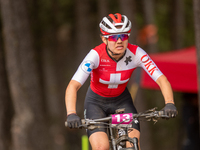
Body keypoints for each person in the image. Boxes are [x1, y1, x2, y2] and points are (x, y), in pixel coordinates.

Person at [65, 13, 177, 150]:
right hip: (96, 103)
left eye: (123, 36)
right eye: (113, 37)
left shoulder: (136, 53)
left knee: (131, 144)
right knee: (101, 147)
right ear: (104, 39)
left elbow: (161, 79)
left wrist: (169, 103)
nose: (119, 41)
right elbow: (73, 86)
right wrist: (71, 113)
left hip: (121, 102)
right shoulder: (95, 55)